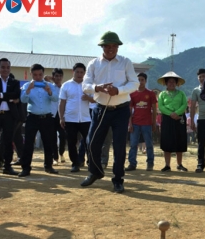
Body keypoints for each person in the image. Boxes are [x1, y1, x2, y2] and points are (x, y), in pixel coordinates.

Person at [81, 31, 138, 193]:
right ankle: (95, 172)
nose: (111, 49)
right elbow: (85, 86)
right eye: (107, 46)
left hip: (121, 110)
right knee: (92, 142)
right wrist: (97, 88)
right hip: (100, 109)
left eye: (114, 46)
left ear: (118, 47)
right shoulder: (93, 64)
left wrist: (118, 90)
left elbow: (134, 83)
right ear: (102, 47)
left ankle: (118, 179)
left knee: (119, 146)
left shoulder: (126, 62)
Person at [19, 63, 59, 177]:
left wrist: (49, 92)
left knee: (48, 143)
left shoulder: (49, 85)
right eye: (35, 75)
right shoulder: (27, 85)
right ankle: (26, 168)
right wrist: (28, 90)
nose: (38, 77)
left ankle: (48, 166)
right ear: (31, 74)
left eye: (40, 74)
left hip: (46, 118)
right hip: (32, 117)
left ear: (43, 73)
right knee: (28, 144)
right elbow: (22, 100)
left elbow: (56, 98)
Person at [58, 63, 91, 173]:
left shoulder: (88, 86)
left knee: (89, 142)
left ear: (84, 73)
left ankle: (91, 162)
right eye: (77, 72)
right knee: (72, 143)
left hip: (86, 119)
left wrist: (88, 98)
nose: (79, 74)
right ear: (73, 72)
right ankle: (75, 163)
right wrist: (61, 117)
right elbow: (62, 103)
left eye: (82, 72)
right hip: (70, 119)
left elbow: (97, 100)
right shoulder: (66, 85)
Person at [125, 72, 157, 171]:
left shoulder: (150, 93)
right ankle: (132, 163)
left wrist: (153, 122)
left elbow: (154, 109)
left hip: (147, 123)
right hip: (135, 123)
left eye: (142, 80)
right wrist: (130, 123)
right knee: (133, 144)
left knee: (149, 144)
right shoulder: (132, 94)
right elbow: (130, 110)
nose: (140, 82)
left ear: (145, 81)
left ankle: (150, 163)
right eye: (138, 80)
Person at [157, 71, 188, 172]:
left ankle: (179, 164)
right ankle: (167, 165)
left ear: (177, 83)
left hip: (179, 119)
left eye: (173, 82)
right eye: (169, 82)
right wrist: (170, 114)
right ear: (166, 83)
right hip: (167, 119)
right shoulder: (162, 94)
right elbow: (161, 106)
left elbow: (184, 105)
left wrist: (177, 113)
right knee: (167, 141)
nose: (171, 83)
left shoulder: (181, 93)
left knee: (180, 140)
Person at [46, 68, 66, 164]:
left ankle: (61, 153)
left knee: (63, 135)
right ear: (53, 77)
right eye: (56, 76)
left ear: (62, 77)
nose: (58, 78)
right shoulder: (50, 86)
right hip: (52, 115)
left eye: (60, 76)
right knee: (52, 137)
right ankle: (55, 157)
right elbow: (44, 79)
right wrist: (49, 79)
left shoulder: (65, 87)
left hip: (62, 115)